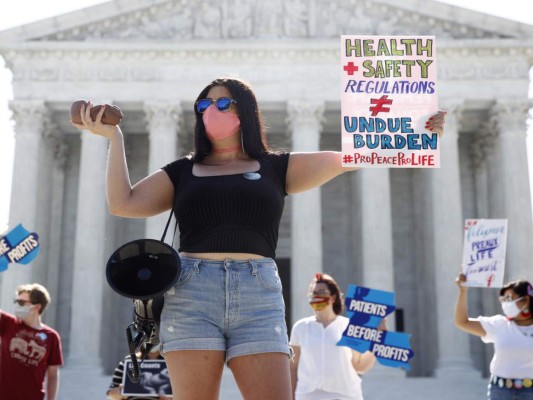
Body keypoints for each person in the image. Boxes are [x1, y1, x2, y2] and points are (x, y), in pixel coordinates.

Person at [71, 77, 445, 400]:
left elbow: (353, 156)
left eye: (222, 102)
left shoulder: (277, 167)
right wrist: (113, 137)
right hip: (192, 293)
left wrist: (416, 132)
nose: (211, 109)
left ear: (245, 111)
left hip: (257, 294)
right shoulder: (183, 170)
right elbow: (124, 203)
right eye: (204, 103)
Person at [290, 273, 383, 400]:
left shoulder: (349, 327)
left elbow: (359, 365)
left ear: (333, 297)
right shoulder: (300, 327)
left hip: (345, 395)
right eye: (313, 292)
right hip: (308, 396)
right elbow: (292, 368)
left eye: (321, 292)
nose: (316, 296)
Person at [454, 273, 533, 399]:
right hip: (500, 391)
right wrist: (463, 291)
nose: (505, 303)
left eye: (509, 298)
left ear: (526, 299)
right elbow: (462, 322)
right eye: (503, 299)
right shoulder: (499, 324)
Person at [0, 283, 63, 400]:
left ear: (37, 307)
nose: (17, 305)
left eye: (21, 302)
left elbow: (53, 375)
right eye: (17, 301)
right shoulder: (8, 323)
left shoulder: (52, 337)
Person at [107, 344, 172, 400]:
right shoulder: (128, 361)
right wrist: (120, 392)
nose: (153, 340)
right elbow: (110, 393)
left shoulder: (173, 362)